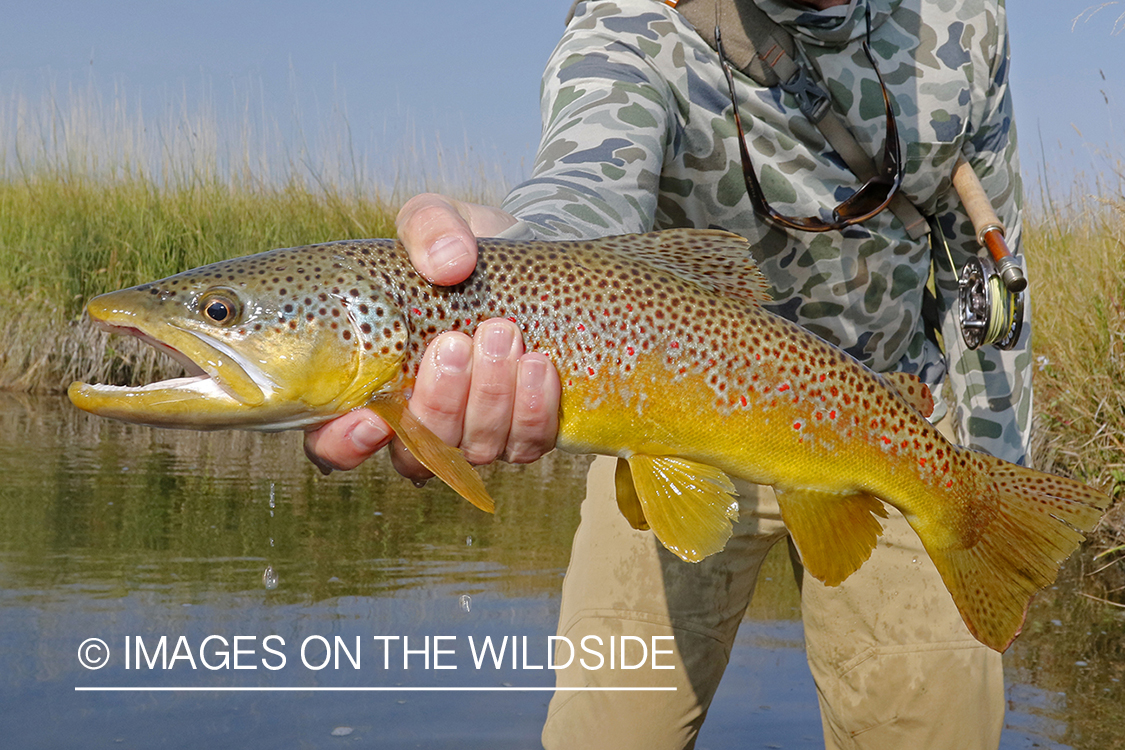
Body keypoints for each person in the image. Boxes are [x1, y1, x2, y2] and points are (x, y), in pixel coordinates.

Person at [306, 0, 1031, 747]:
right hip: (665, 420)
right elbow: (586, 179)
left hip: (885, 420)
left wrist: (995, 481)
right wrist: (514, 262)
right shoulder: (635, 16)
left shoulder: (966, 17)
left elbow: (990, 260)